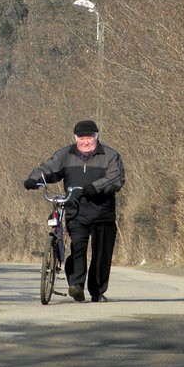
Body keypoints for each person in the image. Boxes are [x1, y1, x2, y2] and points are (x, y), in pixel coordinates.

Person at [24, 120, 125, 302]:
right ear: (75, 138)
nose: (85, 142)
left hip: (103, 212)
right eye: (81, 138)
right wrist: (34, 179)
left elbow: (116, 177)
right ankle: (76, 285)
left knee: (102, 253)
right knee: (78, 247)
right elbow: (49, 168)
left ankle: (97, 291)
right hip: (76, 210)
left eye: (89, 138)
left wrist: (94, 187)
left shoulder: (110, 156)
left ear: (96, 137)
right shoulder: (66, 155)